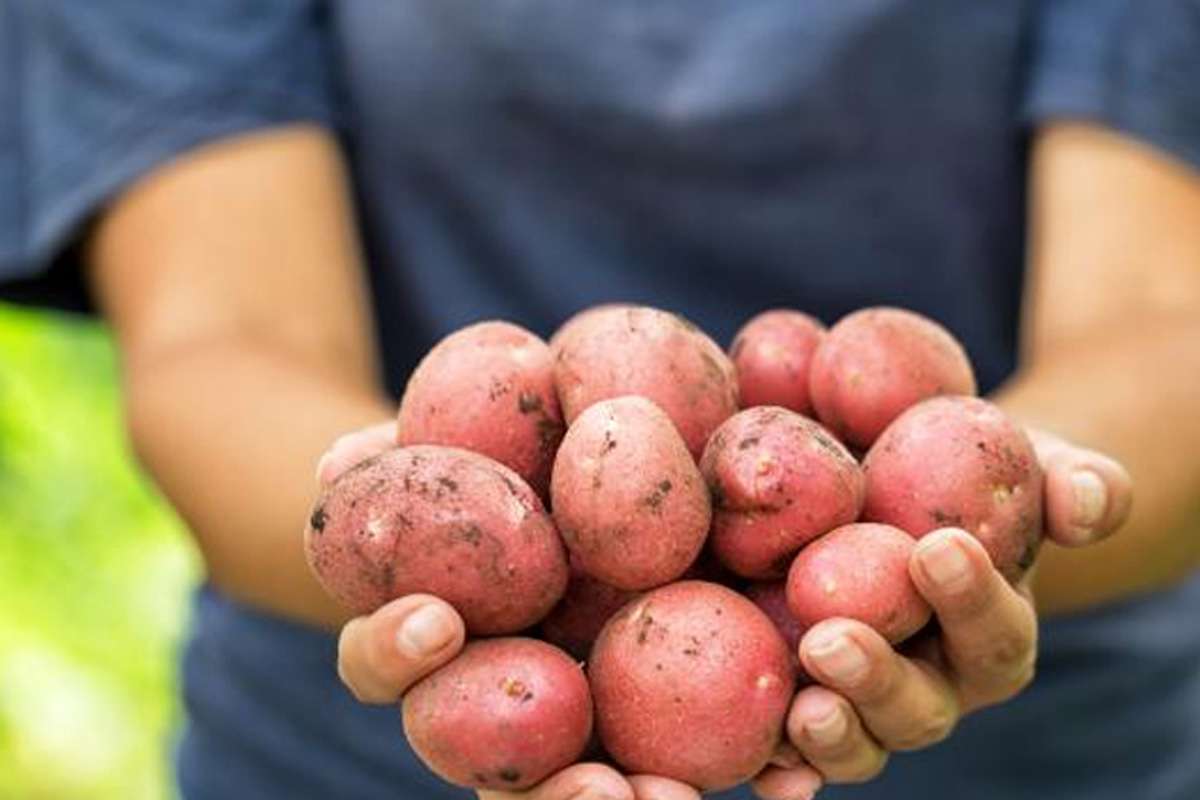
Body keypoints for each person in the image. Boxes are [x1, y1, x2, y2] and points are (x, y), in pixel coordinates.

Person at [2, 1, 1197, 798]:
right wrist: (394, 530)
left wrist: (976, 553)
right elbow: (226, 335)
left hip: (1049, 744)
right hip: (345, 751)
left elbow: (1160, 320)